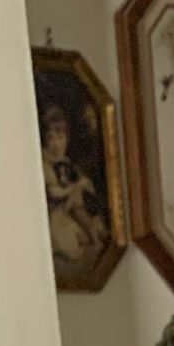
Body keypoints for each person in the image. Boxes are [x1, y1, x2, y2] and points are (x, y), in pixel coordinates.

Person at [42, 101, 108, 276]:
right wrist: (74, 188)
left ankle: (91, 228)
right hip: (54, 213)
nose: (57, 144)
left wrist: (83, 183)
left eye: (60, 137)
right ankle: (87, 231)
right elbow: (53, 192)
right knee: (72, 245)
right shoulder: (44, 163)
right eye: (51, 138)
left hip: (70, 208)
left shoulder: (65, 161)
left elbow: (76, 179)